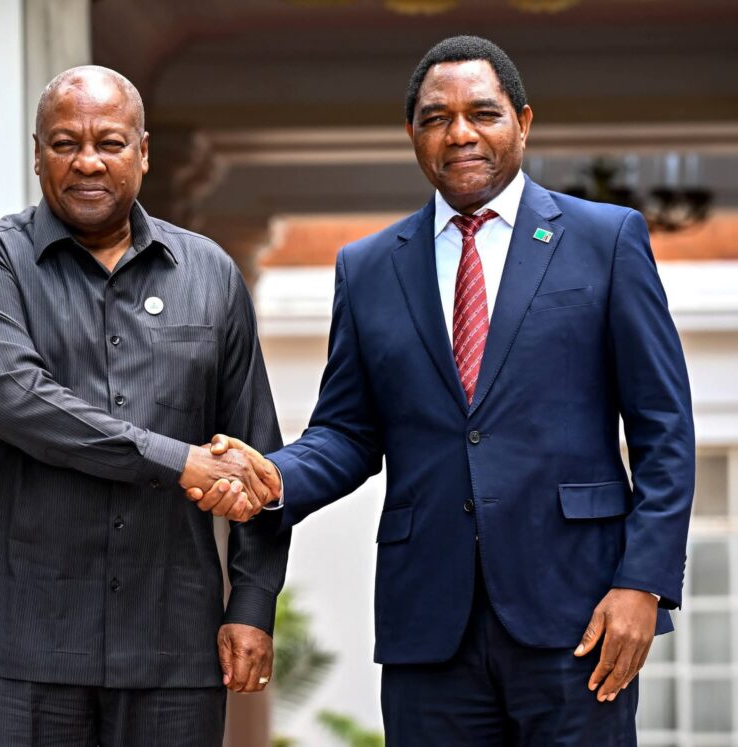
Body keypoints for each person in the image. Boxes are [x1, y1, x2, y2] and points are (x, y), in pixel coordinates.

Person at [187, 36, 695, 745]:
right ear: (412, 134)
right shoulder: (367, 267)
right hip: (429, 626)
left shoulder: (605, 240)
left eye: (482, 113)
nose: (460, 133)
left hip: (578, 617)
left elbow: (664, 429)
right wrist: (274, 477)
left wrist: (642, 583)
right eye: (436, 118)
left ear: (522, 121)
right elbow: (348, 431)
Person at [0, 65, 289, 746]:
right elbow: (16, 400)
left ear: (143, 152)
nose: (87, 161)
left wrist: (252, 600)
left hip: (172, 645)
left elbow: (255, 457)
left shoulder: (210, 276)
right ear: (38, 154)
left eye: (110, 143)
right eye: (65, 143)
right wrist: (179, 460)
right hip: (17, 647)